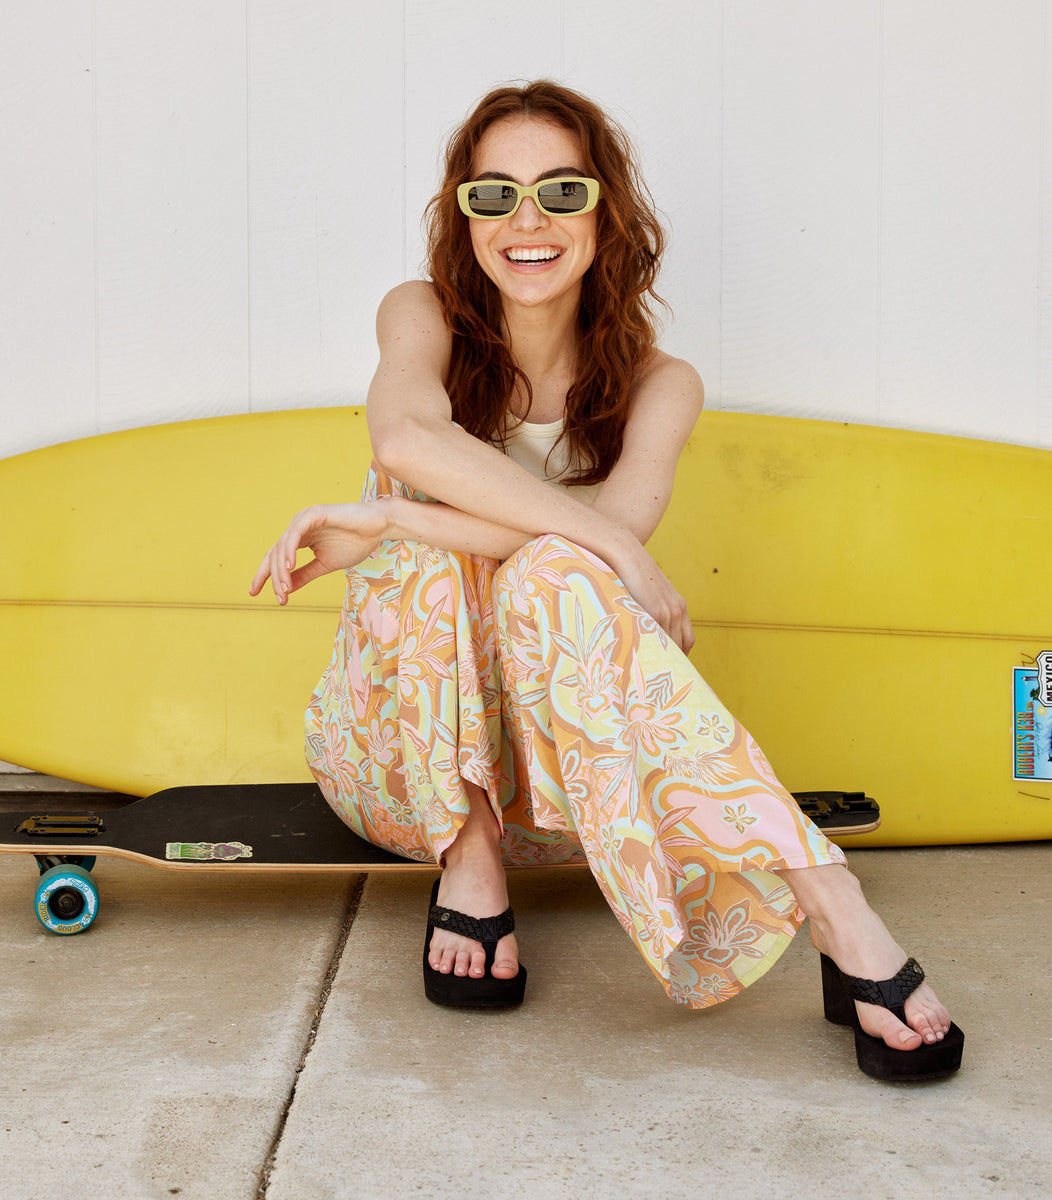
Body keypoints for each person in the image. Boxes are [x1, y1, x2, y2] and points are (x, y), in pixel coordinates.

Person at [250, 80, 962, 1081]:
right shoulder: (420, 316)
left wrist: (402, 514)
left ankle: (827, 906)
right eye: (492, 195)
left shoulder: (663, 385)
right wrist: (443, 520)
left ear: (607, 211)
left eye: (560, 192)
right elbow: (408, 435)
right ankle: (478, 855)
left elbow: (593, 553)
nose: (525, 221)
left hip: (575, 790)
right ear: (462, 217)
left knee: (547, 566)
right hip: (396, 767)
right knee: (444, 548)